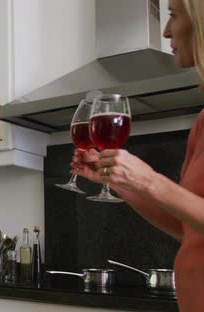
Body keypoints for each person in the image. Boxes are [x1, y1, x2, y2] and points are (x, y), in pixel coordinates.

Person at [72, 0, 204, 310]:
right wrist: (121, 182)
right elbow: (184, 224)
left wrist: (150, 181)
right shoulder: (201, 124)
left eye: (172, 15)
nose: (167, 31)